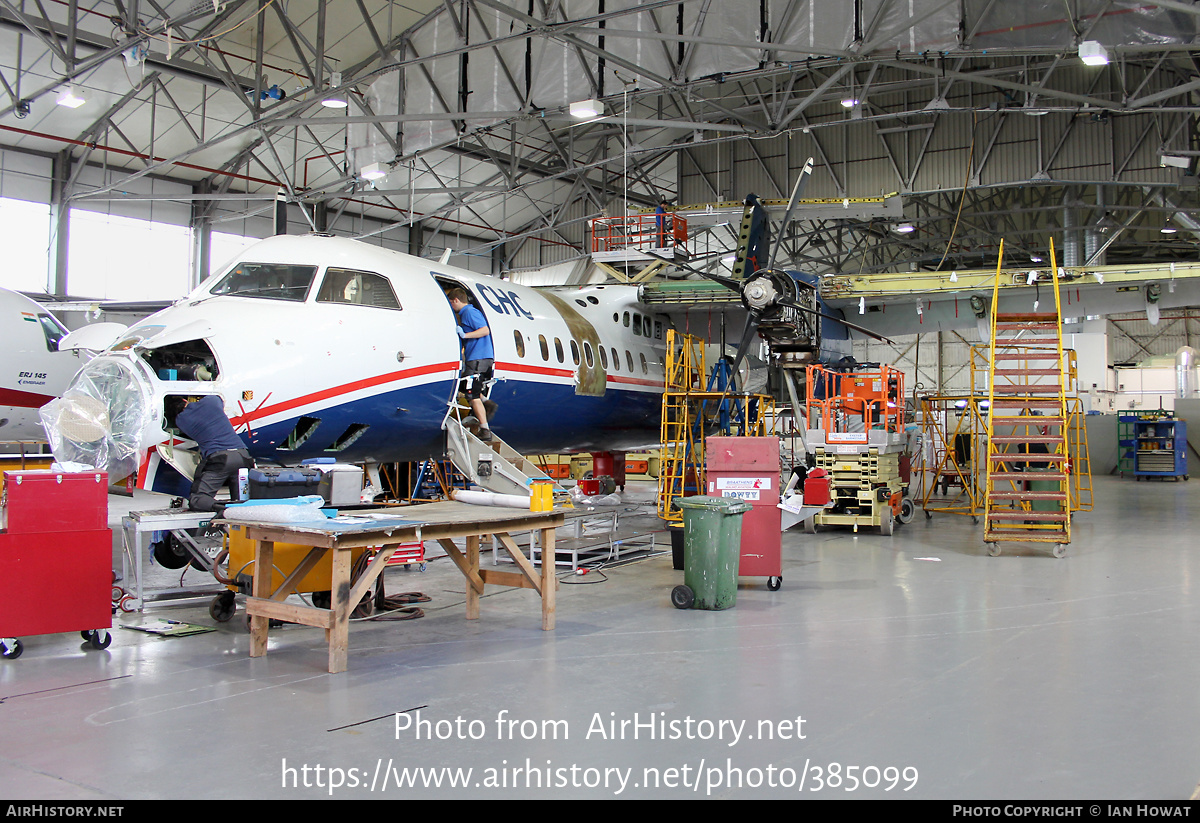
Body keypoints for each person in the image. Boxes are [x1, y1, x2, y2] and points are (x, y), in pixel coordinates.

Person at [165, 394, 252, 514]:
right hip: (243, 455)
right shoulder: (211, 402)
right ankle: (239, 512)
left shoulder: (181, 421)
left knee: (198, 500)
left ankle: (224, 508)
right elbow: (218, 397)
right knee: (242, 500)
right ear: (185, 400)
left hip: (221, 458)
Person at [447, 288, 496, 442]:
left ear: (455, 300)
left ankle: (485, 430)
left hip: (477, 358)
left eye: (451, 304)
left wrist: (465, 335)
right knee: (465, 386)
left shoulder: (469, 312)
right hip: (478, 358)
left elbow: (484, 330)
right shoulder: (467, 313)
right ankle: (487, 403)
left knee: (471, 395)